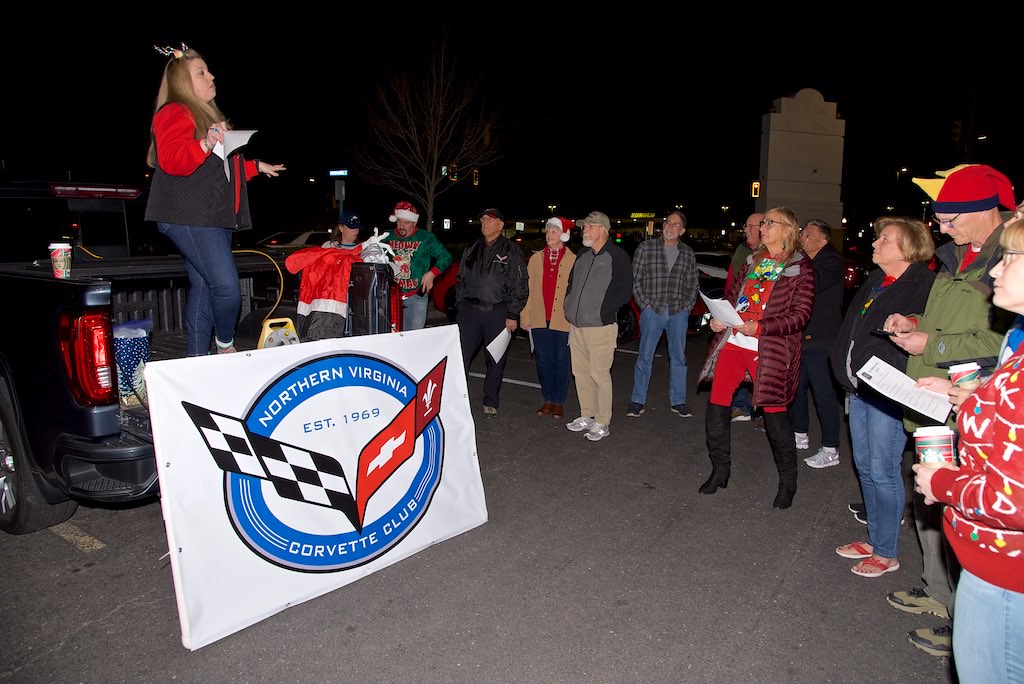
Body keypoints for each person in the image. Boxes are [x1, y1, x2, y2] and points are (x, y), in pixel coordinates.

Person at [883, 163, 1016, 656]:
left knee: (967, 504)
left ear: (984, 211)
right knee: (930, 495)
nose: (940, 227)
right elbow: (947, 317)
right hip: (931, 399)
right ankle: (940, 593)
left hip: (971, 405)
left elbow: (999, 339)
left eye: (950, 217)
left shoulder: (1010, 260)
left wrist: (931, 342)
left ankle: (965, 619)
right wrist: (914, 321)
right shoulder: (960, 254)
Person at [913, 215, 1024, 683]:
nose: (997, 269)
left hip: (1005, 575)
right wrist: (972, 394)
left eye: (1014, 257)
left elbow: (1014, 499)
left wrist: (942, 482)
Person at [144, 44, 285, 357]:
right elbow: (172, 160)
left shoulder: (204, 115)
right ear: (184, 82)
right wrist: (206, 141)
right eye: (201, 72)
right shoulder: (174, 112)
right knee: (226, 288)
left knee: (206, 287)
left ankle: (197, 360)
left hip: (211, 216)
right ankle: (225, 345)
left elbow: (222, 166)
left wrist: (256, 167)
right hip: (191, 217)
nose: (211, 76)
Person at [830, 217, 936, 578]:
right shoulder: (877, 279)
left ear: (907, 248)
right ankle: (876, 539)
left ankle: (887, 551)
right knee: (865, 466)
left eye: (884, 239)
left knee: (883, 470)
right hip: (861, 387)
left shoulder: (923, 283)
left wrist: (912, 323)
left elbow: (929, 322)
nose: (875, 243)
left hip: (888, 390)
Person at [696, 207, 814, 509]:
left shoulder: (800, 267)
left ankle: (788, 481)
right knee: (717, 405)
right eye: (762, 223)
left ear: (788, 229)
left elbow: (800, 316)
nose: (762, 227)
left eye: (769, 223)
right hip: (735, 343)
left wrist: (761, 327)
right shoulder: (752, 261)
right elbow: (732, 297)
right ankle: (720, 470)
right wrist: (717, 319)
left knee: (775, 415)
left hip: (769, 349)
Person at [563, 211, 633, 442]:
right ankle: (587, 416)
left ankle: (603, 421)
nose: (585, 230)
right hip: (577, 325)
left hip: (600, 327)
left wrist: (601, 311)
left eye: (589, 226)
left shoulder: (617, 256)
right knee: (580, 372)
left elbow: (624, 292)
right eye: (584, 227)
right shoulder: (583, 254)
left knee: (599, 374)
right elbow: (572, 285)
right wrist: (569, 305)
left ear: (602, 229)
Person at [454, 208, 529, 418]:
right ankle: (456, 399)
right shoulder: (472, 248)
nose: (484, 223)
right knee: (461, 357)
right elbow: (460, 279)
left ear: (500, 225)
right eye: (483, 220)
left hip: (497, 312)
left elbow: (520, 284)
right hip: (469, 312)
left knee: (495, 359)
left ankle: (490, 400)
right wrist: (460, 306)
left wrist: (513, 314)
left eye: (489, 220)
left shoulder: (511, 250)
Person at [626, 210, 698, 418]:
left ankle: (679, 401)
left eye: (675, 225)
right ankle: (637, 400)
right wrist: (645, 305)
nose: (670, 227)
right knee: (645, 356)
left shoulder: (687, 253)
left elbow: (693, 283)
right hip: (653, 310)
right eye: (668, 222)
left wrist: (687, 306)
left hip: (678, 312)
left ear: (682, 230)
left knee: (678, 357)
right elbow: (635, 279)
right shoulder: (646, 248)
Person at [792, 219, 844, 467]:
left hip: (822, 339)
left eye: (809, 235)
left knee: (824, 394)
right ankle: (799, 434)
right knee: (796, 389)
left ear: (823, 240)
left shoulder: (830, 261)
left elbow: (812, 284)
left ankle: (831, 448)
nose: (803, 238)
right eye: (803, 233)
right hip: (803, 337)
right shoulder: (807, 261)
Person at [520, 216, 576, 420]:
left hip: (563, 319)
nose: (548, 235)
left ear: (562, 235)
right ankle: (548, 400)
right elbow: (527, 290)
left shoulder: (573, 259)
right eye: (547, 231)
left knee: (561, 361)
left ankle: (559, 402)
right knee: (543, 361)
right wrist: (524, 316)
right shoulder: (536, 259)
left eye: (553, 231)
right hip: (538, 318)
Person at [383, 201, 452, 330]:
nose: (402, 226)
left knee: (414, 336)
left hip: (416, 296)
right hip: (391, 297)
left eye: (406, 222)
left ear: (414, 223)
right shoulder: (387, 236)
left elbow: (446, 257)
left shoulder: (426, 238)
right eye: (399, 221)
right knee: (392, 336)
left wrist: (432, 273)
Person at [726, 213, 763, 422]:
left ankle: (763, 413)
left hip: (761, 324)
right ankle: (741, 406)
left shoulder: (777, 256)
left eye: (751, 226)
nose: (746, 230)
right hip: (739, 318)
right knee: (739, 363)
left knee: (762, 368)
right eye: (746, 225)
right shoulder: (742, 250)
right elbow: (732, 281)